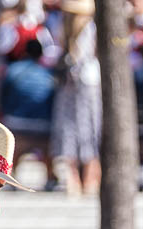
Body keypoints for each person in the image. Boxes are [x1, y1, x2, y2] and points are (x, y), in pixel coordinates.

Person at [49, 0, 100, 194]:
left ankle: (78, 177)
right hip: (86, 82)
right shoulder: (86, 28)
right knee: (86, 128)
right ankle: (87, 177)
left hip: (74, 83)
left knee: (74, 128)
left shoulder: (65, 28)